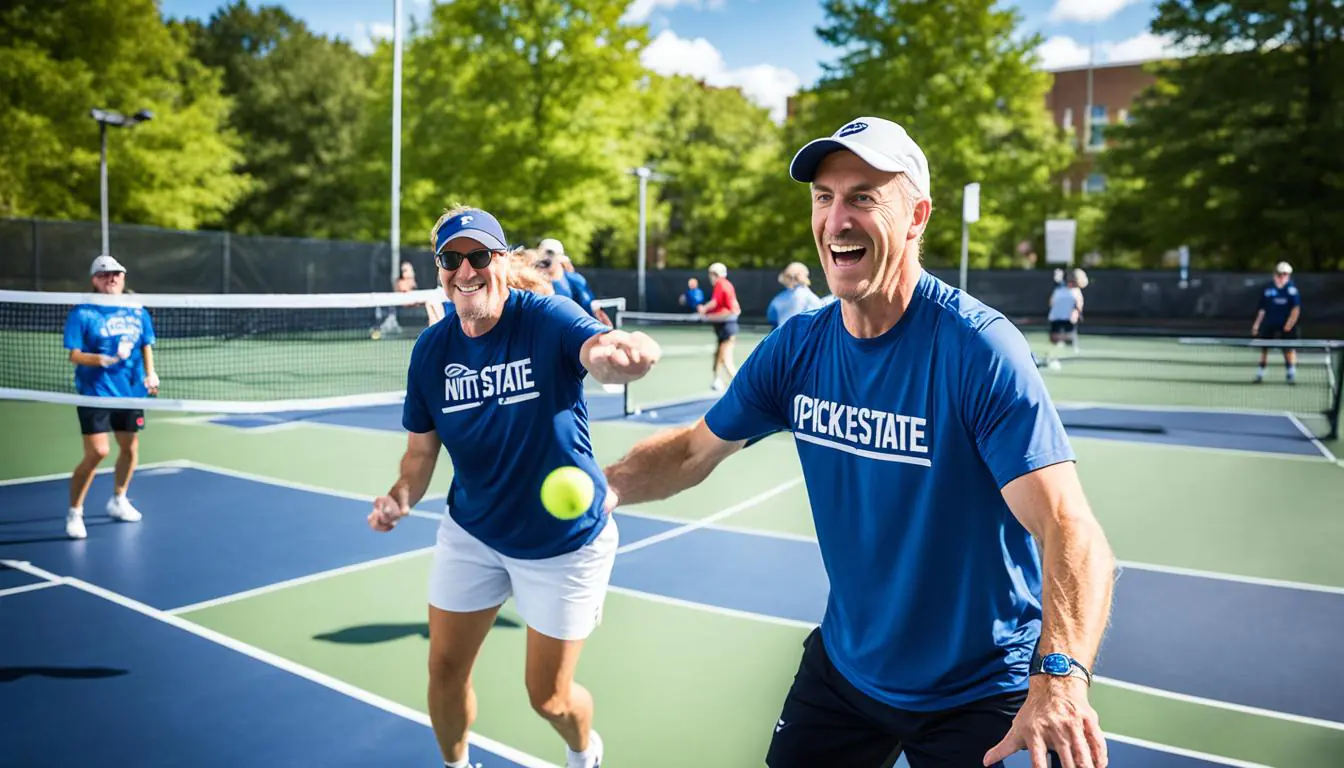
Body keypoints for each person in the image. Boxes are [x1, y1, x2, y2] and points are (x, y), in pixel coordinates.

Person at [602, 117, 1115, 768]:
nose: (836, 219)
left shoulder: (977, 350)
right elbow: (692, 450)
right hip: (847, 672)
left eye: (864, 197)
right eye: (824, 197)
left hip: (978, 691)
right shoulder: (798, 348)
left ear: (917, 216)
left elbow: (1072, 528)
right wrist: (609, 485)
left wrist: (1061, 677)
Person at [366, 206, 660, 768]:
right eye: (452, 259)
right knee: (443, 672)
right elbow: (421, 452)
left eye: (478, 256)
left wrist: (619, 358)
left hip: (564, 544)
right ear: (440, 269)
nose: (465, 270)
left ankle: (583, 751)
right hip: (473, 531)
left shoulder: (545, 318)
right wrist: (400, 496)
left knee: (547, 698)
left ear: (500, 261)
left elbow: (595, 351)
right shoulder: (431, 351)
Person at [62, 255, 160, 540]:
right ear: (95, 280)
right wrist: (103, 360)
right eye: (105, 275)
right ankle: (74, 512)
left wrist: (151, 374)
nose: (112, 278)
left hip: (130, 392)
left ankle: (119, 499)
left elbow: (146, 344)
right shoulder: (83, 313)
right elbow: (74, 355)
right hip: (95, 393)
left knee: (130, 448)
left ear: (123, 278)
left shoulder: (136, 310)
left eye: (117, 274)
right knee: (98, 452)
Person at [1251, 261, 1301, 384]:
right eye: (1280, 273)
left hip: (1286, 326)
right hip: (1270, 323)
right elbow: (1262, 309)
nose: (1282, 276)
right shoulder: (1268, 289)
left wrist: (1289, 324)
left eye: (1285, 274)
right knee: (1264, 348)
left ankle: (1291, 373)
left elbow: (1296, 309)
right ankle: (1260, 373)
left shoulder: (1292, 290)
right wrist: (1257, 324)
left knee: (1288, 349)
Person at [696, 262, 741, 391]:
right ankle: (717, 379)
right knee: (718, 356)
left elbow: (720, 305)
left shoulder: (721, 284)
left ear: (715, 274)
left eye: (711, 274)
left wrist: (705, 312)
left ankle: (741, 386)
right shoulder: (725, 285)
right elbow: (719, 305)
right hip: (723, 328)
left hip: (728, 328)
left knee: (726, 359)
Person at [1044, 269, 1086, 368]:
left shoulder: (1075, 291)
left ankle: (1071, 356)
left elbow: (1079, 303)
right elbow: (1051, 302)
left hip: (1068, 318)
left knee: (1069, 338)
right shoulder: (1058, 290)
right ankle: (1051, 357)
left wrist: (1077, 312)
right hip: (1056, 317)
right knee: (1055, 340)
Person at [767, 261, 826, 330]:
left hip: (782, 337)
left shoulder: (778, 298)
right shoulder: (810, 297)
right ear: (805, 276)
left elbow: (771, 318)